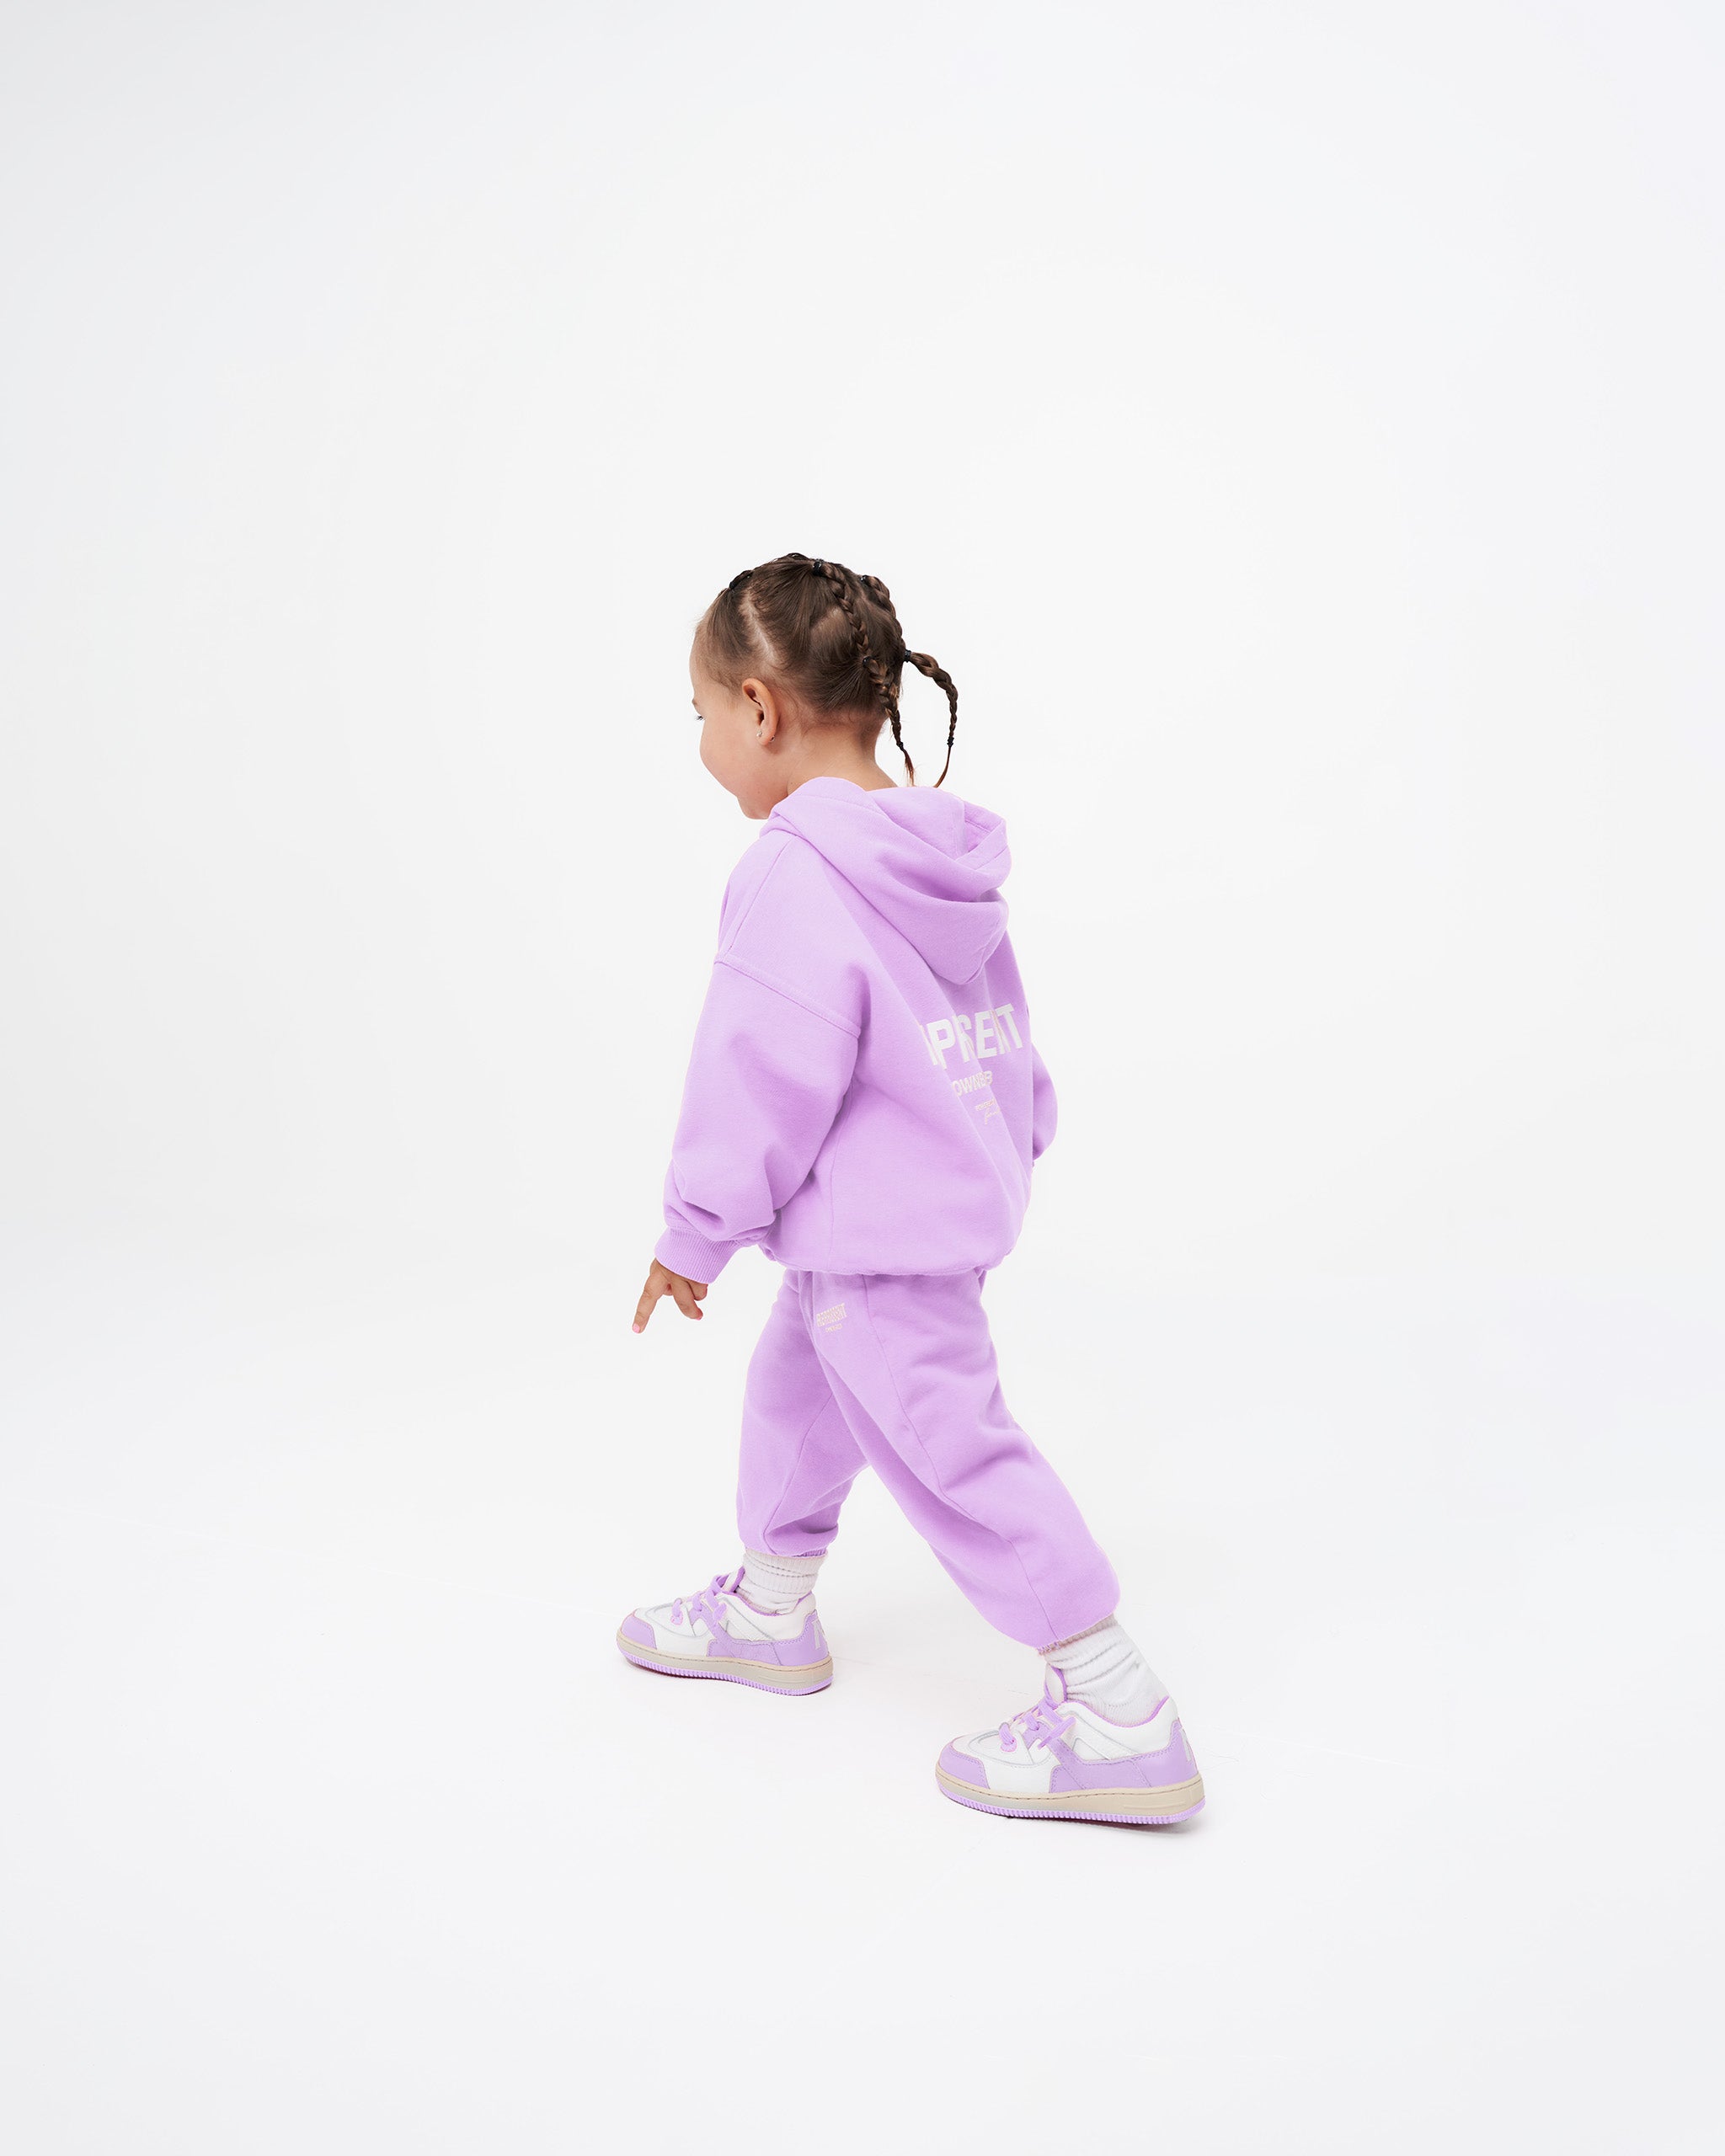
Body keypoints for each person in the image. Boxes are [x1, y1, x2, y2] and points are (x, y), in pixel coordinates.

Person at [618, 552, 1204, 1827]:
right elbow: (996, 1019)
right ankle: (772, 1607)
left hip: (881, 1240)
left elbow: (756, 1070)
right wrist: (1013, 1133)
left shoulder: (797, 870)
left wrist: (695, 1233)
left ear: (761, 708)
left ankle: (1116, 1708)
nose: (703, 741)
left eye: (701, 712)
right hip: (906, 1216)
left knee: (958, 1456)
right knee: (797, 1390)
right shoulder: (934, 853)